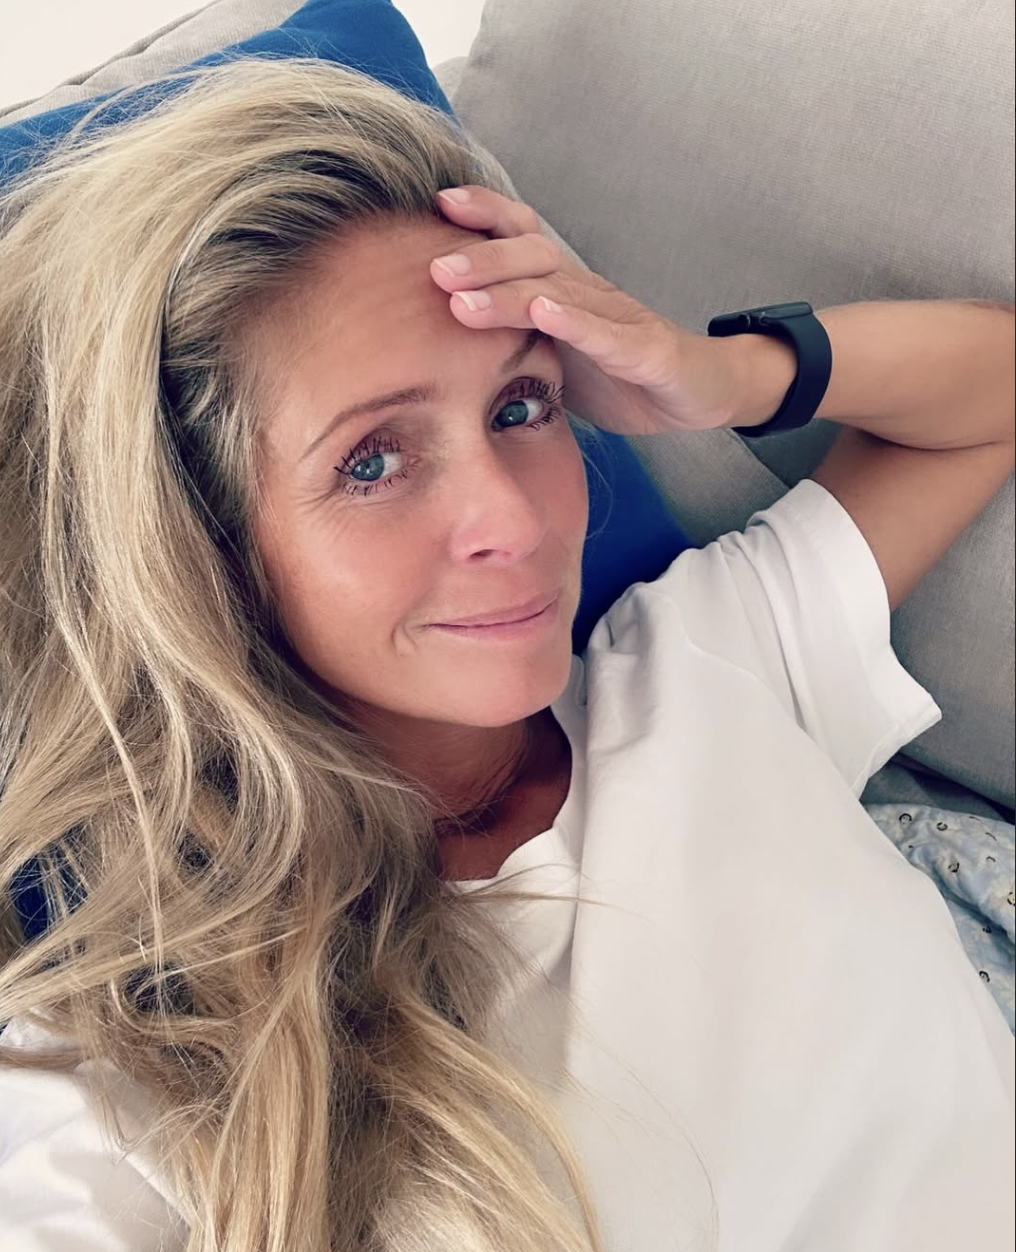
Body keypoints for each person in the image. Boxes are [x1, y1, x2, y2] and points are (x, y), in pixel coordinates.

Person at [0, 55, 1013, 1252]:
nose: (515, 518)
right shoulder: (136, 1071)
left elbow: (986, 390)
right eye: (372, 460)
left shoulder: (704, 662)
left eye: (519, 406)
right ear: (193, 545)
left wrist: (716, 375)